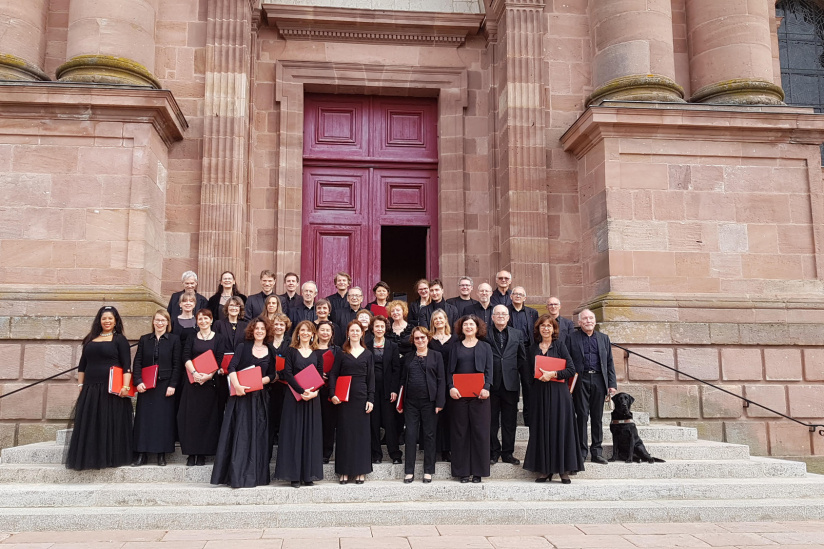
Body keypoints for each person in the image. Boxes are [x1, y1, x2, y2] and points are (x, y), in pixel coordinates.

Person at [66, 306, 134, 470]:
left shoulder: (120, 339)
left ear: (115, 320)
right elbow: (82, 365)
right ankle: (90, 457)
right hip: (90, 388)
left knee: (109, 423)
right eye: (104, 318)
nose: (107, 321)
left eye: (110, 318)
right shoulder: (89, 339)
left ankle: (110, 458)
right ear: (99, 320)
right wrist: (81, 384)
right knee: (92, 423)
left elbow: (126, 365)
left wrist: (125, 386)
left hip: (112, 389)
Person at [211, 318, 276, 488]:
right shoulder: (242, 346)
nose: (260, 331)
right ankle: (236, 475)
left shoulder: (270, 350)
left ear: (266, 331)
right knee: (240, 434)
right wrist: (238, 385)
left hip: (259, 397)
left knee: (257, 434)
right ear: (252, 331)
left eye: (262, 328)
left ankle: (256, 476)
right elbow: (231, 368)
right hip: (240, 395)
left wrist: (258, 382)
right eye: (257, 328)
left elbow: (272, 375)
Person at [524, 315, 584, 483]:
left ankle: (563, 470)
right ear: (538, 329)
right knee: (542, 429)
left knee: (561, 429)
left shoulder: (560, 346)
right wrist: (536, 379)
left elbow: (571, 370)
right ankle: (544, 470)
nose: (546, 329)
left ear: (554, 329)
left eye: (549, 326)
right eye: (542, 326)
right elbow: (528, 372)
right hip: (539, 394)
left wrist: (553, 374)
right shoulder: (532, 349)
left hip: (559, 393)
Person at [274, 320, 323, 487]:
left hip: (312, 399)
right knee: (294, 434)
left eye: (308, 331)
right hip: (294, 398)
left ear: (312, 334)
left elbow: (320, 374)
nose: (305, 333)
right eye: (302, 330)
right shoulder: (291, 351)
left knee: (310, 434)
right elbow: (287, 373)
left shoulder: (317, 353)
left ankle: (308, 475)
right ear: (298, 333)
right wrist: (302, 391)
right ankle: (294, 476)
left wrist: (315, 392)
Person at [132, 309, 182, 467]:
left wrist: (173, 385)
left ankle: (161, 454)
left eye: (163, 320)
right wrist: (138, 381)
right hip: (146, 385)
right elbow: (138, 362)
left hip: (165, 385)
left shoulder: (174, 340)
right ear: (153, 322)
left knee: (163, 421)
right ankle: (141, 454)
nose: (160, 323)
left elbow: (177, 365)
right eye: (157, 320)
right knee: (143, 420)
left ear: (168, 323)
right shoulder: (144, 339)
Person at [447, 315, 493, 483]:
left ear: (477, 327)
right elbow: (449, 371)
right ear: (461, 327)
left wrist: (487, 387)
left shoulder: (485, 347)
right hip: (459, 396)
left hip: (480, 396)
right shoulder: (455, 347)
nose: (468, 327)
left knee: (480, 432)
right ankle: (463, 472)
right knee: (461, 433)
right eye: (465, 324)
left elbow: (489, 370)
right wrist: (451, 387)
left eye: (471, 324)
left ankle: (478, 471)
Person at [329, 321, 375, 484]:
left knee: (361, 435)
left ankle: (361, 471)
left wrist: (371, 399)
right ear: (347, 333)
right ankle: (344, 471)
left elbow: (371, 378)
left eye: (358, 330)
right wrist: (333, 393)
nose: (355, 333)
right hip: (344, 398)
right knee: (345, 434)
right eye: (352, 330)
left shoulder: (368, 354)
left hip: (361, 397)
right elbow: (333, 374)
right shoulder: (342, 353)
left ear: (362, 333)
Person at [569, 308, 617, 464]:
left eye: (591, 318)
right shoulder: (571, 338)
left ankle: (597, 451)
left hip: (598, 380)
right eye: (585, 318)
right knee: (581, 416)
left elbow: (609, 362)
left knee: (597, 417)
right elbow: (567, 361)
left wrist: (612, 384)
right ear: (580, 322)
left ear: (595, 321)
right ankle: (582, 452)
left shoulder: (604, 339)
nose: (589, 321)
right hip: (580, 379)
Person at [397, 326, 445, 483]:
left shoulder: (437, 356)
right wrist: (400, 400)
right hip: (410, 402)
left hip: (430, 402)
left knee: (430, 435)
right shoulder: (408, 357)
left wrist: (439, 402)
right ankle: (409, 471)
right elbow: (403, 380)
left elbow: (441, 380)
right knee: (410, 435)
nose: (420, 341)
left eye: (423, 337)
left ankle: (428, 470)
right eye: (417, 338)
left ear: (428, 338)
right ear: (413, 340)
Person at [179, 309, 225, 466]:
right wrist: (194, 373)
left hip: (210, 384)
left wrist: (208, 376)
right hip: (193, 383)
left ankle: (203, 454)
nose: (203, 321)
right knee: (191, 419)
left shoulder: (219, 338)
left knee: (207, 418)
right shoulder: (192, 337)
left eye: (206, 318)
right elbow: (185, 356)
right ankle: (191, 453)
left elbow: (219, 358)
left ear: (211, 320)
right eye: (200, 319)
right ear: (196, 321)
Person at [488, 305, 529, 466]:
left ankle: (507, 453)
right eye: (497, 314)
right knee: (491, 422)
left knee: (509, 422)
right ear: (492, 317)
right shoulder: (485, 334)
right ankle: (493, 452)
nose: (500, 316)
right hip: (492, 384)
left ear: (508, 317)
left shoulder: (517, 334)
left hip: (511, 384)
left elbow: (522, 358)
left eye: (504, 314)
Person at [367, 315, 402, 464]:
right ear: (372, 329)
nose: (379, 329)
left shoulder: (392, 346)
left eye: (382, 326)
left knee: (390, 422)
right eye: (377, 326)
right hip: (372, 388)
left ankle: (395, 454)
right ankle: (376, 454)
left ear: (385, 328)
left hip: (388, 389)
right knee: (374, 422)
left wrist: (394, 389)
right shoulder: (366, 344)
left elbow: (396, 369)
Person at [429, 309, 456, 462]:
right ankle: (435, 449)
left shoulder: (454, 339)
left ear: (446, 320)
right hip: (433, 382)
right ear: (432, 322)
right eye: (435, 319)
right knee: (435, 416)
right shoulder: (429, 339)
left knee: (449, 416)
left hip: (450, 381)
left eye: (441, 318)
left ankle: (448, 449)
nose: (438, 321)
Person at [213, 296, 249, 414]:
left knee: (237, 403)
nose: (234, 308)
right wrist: (217, 367)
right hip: (222, 370)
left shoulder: (245, 325)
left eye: (237, 305)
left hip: (239, 368)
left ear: (240, 309)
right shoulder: (218, 324)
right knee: (221, 401)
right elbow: (215, 346)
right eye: (231, 305)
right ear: (227, 308)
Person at [315, 319, 340, 464]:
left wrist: (330, 375)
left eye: (328, 330)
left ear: (332, 334)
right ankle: (314, 450)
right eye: (322, 330)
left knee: (329, 422)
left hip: (329, 390)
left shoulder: (337, 350)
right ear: (317, 332)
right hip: (313, 390)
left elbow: (340, 369)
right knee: (314, 422)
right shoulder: (311, 348)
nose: (325, 333)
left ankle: (326, 453)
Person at [267, 312, 291, 459]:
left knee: (283, 412)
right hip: (268, 384)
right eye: (276, 324)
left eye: (281, 324)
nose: (278, 327)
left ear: (286, 326)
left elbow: (291, 362)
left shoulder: (290, 342)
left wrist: (280, 375)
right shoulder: (266, 341)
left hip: (284, 384)